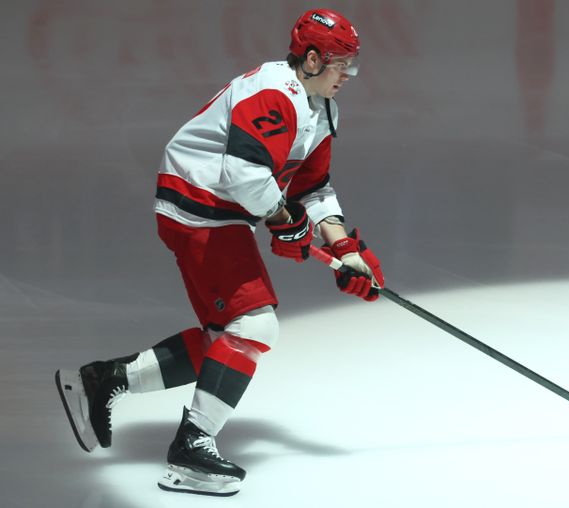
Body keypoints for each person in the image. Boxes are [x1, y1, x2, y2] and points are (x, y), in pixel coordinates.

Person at [55, 8, 384, 497]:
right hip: (199, 202)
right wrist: (282, 221)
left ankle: (101, 380)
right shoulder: (274, 94)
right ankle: (192, 449)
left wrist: (343, 246)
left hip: (221, 207)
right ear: (312, 59)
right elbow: (245, 175)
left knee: (223, 342)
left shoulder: (320, 107)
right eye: (342, 64)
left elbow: (313, 188)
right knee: (254, 324)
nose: (348, 75)